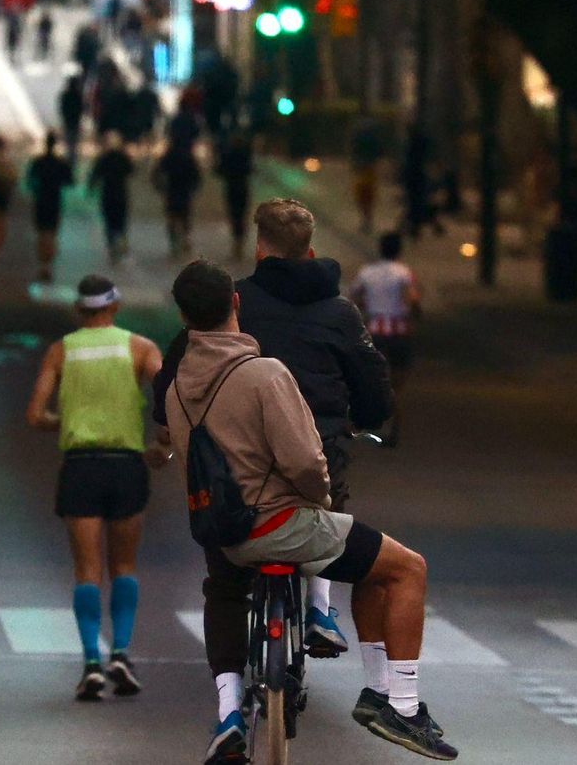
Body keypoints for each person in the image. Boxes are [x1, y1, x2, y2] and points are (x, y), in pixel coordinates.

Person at [162, 260, 457, 763]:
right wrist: (319, 497)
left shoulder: (177, 390)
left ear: (185, 317)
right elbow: (304, 463)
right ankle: (401, 705)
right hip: (283, 525)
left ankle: (233, 707)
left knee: (365, 562)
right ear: (236, 304)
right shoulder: (264, 373)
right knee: (407, 568)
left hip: (225, 534)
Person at [151, 199, 395, 706]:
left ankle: (228, 703)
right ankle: (321, 611)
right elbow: (372, 390)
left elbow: (175, 376)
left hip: (236, 480)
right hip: (319, 454)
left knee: (223, 584)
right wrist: (367, 419)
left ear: (260, 248)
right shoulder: (340, 313)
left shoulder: (230, 307)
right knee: (327, 505)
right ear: (311, 250)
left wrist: (168, 422)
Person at [26, 275, 165, 702]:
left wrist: (65, 423)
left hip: (80, 467)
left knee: (87, 570)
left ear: (78, 311)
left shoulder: (62, 350)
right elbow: (169, 400)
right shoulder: (141, 348)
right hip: (126, 465)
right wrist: (163, 446)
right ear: (116, 306)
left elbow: (36, 414)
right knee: (124, 565)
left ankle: (90, 662)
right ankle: (121, 652)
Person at [349, 233, 421, 447]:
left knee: (370, 378)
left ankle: (365, 421)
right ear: (399, 250)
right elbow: (412, 299)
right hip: (399, 332)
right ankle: (394, 426)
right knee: (397, 384)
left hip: (375, 330)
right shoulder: (403, 273)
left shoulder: (367, 272)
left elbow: (354, 298)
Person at [26, 131, 76, 283]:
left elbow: (29, 180)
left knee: (42, 233)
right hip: (55, 201)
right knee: (52, 233)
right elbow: (70, 181)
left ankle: (43, 264)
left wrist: (36, 189)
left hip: (41, 200)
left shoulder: (38, 162)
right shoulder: (61, 163)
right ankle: (48, 262)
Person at [89, 134, 135, 264]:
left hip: (107, 194)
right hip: (121, 194)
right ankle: (120, 243)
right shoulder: (123, 158)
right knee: (120, 221)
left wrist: (91, 188)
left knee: (109, 222)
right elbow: (131, 171)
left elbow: (95, 175)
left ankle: (112, 247)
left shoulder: (104, 159)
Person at [155, 141, 202, 258]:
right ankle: (185, 239)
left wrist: (160, 188)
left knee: (172, 217)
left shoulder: (168, 157)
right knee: (185, 217)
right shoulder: (188, 157)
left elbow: (156, 173)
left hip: (172, 191)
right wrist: (194, 189)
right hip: (184, 191)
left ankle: (174, 243)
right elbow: (196, 176)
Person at [216, 133, 253, 260]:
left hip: (231, 188)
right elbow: (250, 169)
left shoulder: (228, 155)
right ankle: (239, 243)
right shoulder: (245, 155)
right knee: (241, 215)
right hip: (242, 188)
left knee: (234, 215)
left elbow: (219, 170)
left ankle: (237, 242)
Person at [58, 75, 85, 166]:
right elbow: (82, 109)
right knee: (73, 144)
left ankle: (70, 160)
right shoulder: (78, 96)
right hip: (74, 123)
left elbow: (62, 109)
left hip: (68, 122)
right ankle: (72, 161)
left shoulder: (66, 96)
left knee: (69, 144)